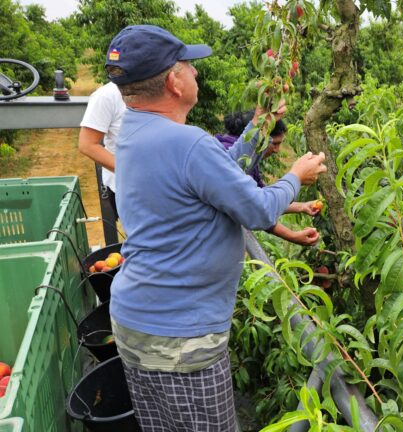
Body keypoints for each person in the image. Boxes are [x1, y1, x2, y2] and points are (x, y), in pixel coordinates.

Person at [104, 24, 327, 431]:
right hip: (180, 339)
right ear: (173, 81)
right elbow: (258, 209)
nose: (196, 74)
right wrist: (296, 175)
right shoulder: (187, 144)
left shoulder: (136, 130)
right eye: (189, 66)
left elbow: (216, 171)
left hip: (136, 322)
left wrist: (258, 126)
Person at [216, 114, 322, 232]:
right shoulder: (235, 161)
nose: (277, 150)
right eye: (275, 143)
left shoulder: (245, 157)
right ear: (260, 137)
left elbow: (262, 197)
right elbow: (256, 209)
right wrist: (296, 177)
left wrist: (302, 206)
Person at [78, 81, 126, 218]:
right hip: (127, 189)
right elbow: (87, 145)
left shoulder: (162, 85)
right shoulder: (107, 95)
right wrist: (132, 173)